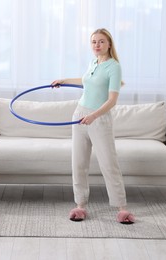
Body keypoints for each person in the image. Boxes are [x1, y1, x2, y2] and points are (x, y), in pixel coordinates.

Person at [52, 28, 135, 224]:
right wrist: (63, 80)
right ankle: (80, 206)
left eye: (101, 41)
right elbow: (86, 83)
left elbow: (112, 100)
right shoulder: (93, 62)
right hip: (80, 115)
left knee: (109, 163)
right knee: (79, 163)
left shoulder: (114, 67)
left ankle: (122, 208)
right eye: (93, 42)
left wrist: (94, 115)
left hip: (99, 118)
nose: (96, 45)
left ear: (109, 44)